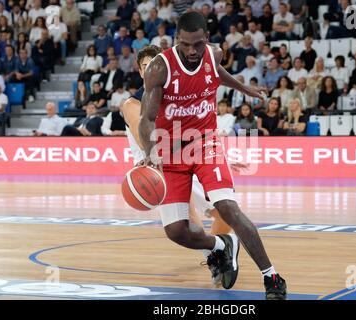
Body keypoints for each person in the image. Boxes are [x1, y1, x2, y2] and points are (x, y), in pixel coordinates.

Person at [138, 12, 286, 299]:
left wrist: (245, 88)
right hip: (169, 150)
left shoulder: (214, 54)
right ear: (175, 39)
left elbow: (216, 74)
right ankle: (221, 246)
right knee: (176, 232)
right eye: (185, 45)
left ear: (206, 38)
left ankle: (272, 277)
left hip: (205, 145)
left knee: (229, 207)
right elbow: (146, 118)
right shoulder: (160, 67)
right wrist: (151, 150)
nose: (191, 51)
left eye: (197, 44)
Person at [121, 45, 234, 284]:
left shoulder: (178, 97)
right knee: (187, 220)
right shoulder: (131, 103)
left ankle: (220, 251)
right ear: (141, 72)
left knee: (224, 214)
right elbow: (148, 139)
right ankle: (214, 255)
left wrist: (220, 156)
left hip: (190, 160)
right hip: (159, 171)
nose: (152, 69)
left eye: (156, 64)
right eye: (146, 66)